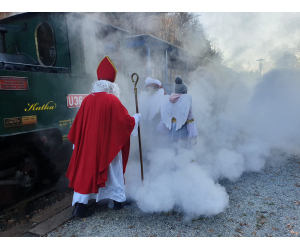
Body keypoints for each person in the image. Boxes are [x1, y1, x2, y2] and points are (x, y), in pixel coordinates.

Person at [66, 56, 141, 218]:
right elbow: (125, 123)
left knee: (86, 174)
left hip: (88, 147)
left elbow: (78, 126)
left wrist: (77, 145)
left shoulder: (87, 100)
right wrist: (137, 118)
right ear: (112, 86)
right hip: (108, 147)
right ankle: (118, 202)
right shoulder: (112, 100)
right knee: (113, 171)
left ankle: (79, 207)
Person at [158, 76, 198, 145]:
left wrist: (161, 130)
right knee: (182, 149)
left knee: (171, 147)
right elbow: (190, 118)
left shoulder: (167, 99)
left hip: (170, 130)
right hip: (182, 131)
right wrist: (193, 135)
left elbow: (165, 115)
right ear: (184, 91)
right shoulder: (186, 100)